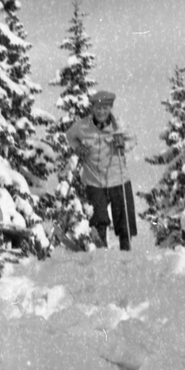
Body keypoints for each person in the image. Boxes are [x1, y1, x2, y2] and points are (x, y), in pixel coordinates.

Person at [66, 90, 138, 251]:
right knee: (98, 218)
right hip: (94, 179)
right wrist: (78, 148)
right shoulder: (82, 126)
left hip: (118, 178)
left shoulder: (119, 125)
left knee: (124, 218)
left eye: (105, 108)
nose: (101, 112)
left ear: (110, 108)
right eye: (98, 108)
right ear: (92, 108)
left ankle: (126, 250)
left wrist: (123, 144)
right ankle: (100, 249)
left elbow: (133, 139)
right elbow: (70, 136)